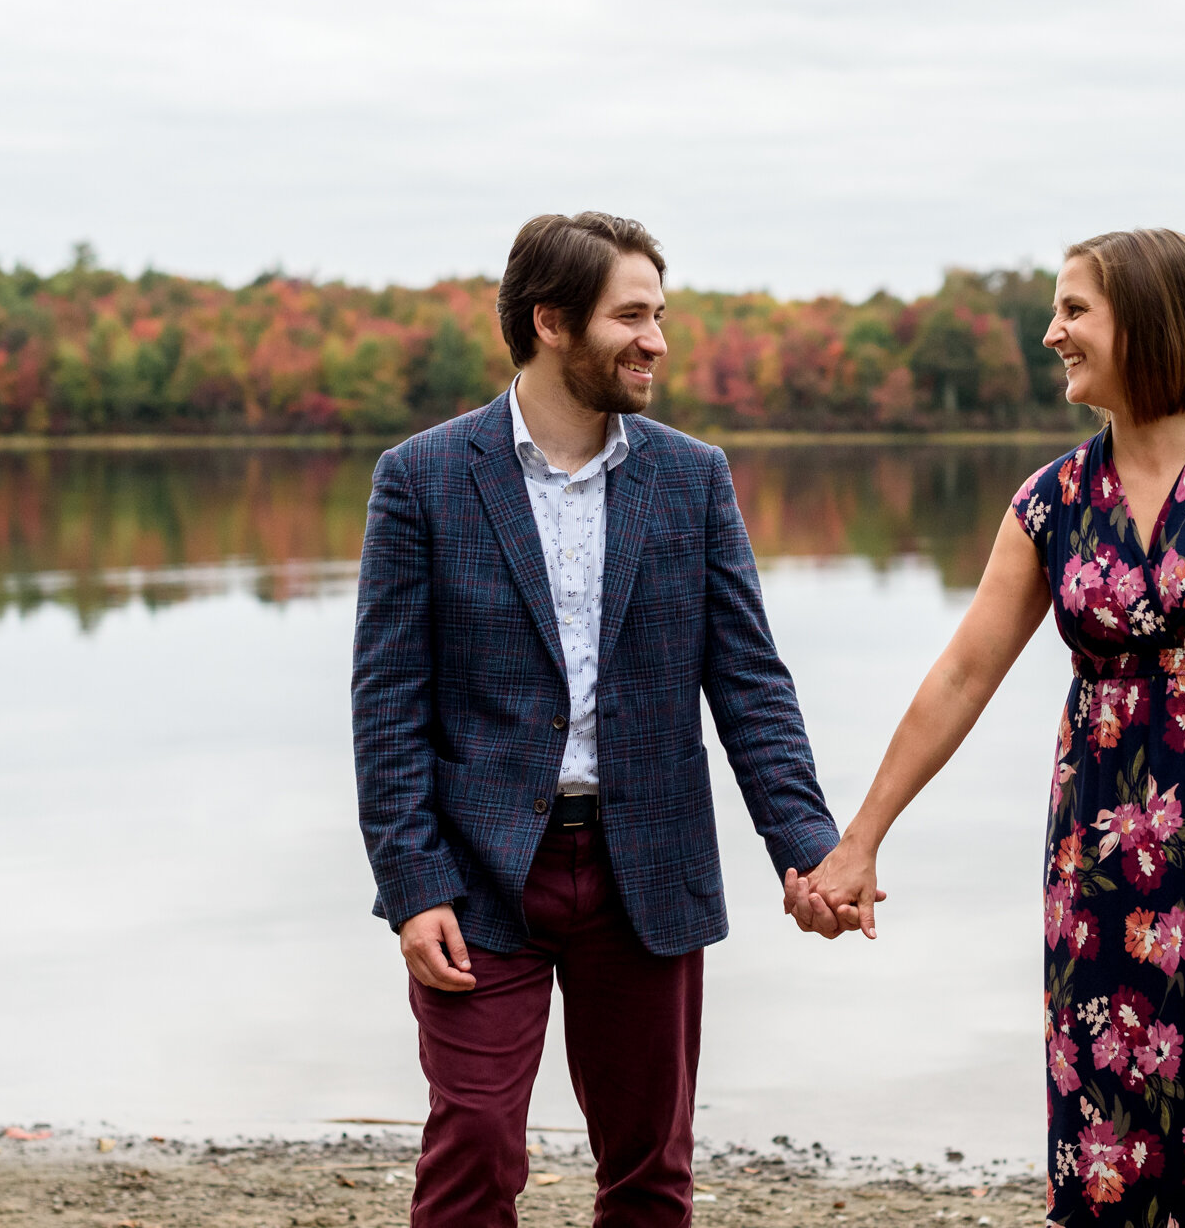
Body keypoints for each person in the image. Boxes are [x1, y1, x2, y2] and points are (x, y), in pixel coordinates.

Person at [796, 229, 1185, 1226]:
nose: (1050, 332)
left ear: (1146, 321)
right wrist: (859, 838)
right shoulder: (1053, 499)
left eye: (1073, 311)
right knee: (1114, 1127)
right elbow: (960, 675)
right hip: (1107, 868)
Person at [352, 211, 844, 1228]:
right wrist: (411, 885)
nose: (657, 339)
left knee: (648, 1168)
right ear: (551, 322)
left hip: (646, 870)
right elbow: (386, 708)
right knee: (474, 1145)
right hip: (480, 877)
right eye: (632, 315)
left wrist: (803, 844)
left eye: (659, 314)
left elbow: (748, 680)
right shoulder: (421, 480)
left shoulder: (691, 476)